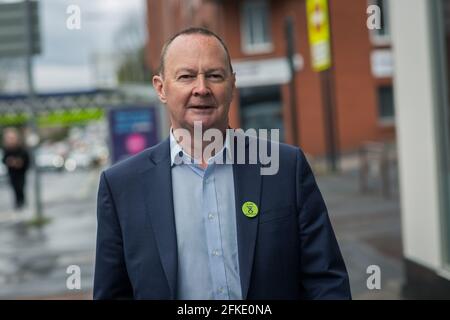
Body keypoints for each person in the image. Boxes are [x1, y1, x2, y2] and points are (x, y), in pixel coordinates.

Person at [94, 27, 351, 300]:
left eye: (215, 76)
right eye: (186, 76)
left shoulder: (285, 168)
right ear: (161, 88)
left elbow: (326, 282)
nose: (202, 89)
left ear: (232, 84)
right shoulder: (122, 186)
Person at [2, 127, 30, 210]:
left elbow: (26, 160)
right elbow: (4, 160)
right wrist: (10, 162)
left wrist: (19, 162)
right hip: (12, 173)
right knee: (14, 187)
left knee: (20, 186)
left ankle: (22, 201)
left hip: (21, 173)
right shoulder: (7, 149)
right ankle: (18, 202)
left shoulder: (21, 149)